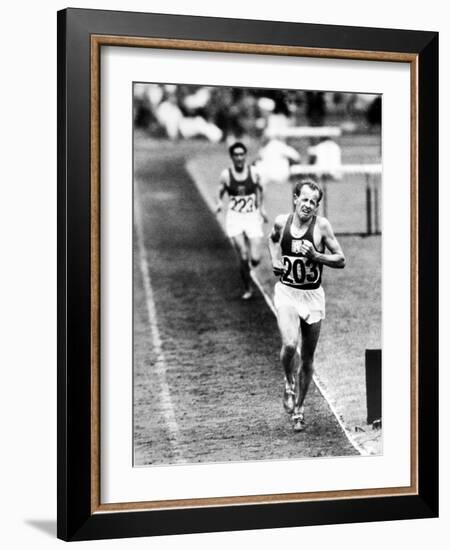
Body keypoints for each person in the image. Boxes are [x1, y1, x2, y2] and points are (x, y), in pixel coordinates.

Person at [268, 179, 345, 432]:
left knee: (309, 357)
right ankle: (288, 380)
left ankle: (299, 409)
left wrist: (316, 256)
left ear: (317, 206)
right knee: (290, 344)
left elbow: (341, 259)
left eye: (313, 202)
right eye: (305, 199)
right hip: (288, 293)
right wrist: (275, 261)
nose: (308, 205)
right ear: (295, 199)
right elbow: (272, 238)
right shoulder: (283, 221)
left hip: (312, 297)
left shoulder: (322, 227)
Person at [216, 142, 268, 299]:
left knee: (255, 259)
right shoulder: (226, 175)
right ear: (232, 157)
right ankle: (248, 287)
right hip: (235, 217)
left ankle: (248, 267)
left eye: (241, 154)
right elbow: (220, 191)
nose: (239, 157)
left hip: (252, 216)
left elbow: (261, 189)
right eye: (236, 155)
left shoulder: (254, 173)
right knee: (243, 255)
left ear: (245, 155)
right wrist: (219, 203)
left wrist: (262, 208)